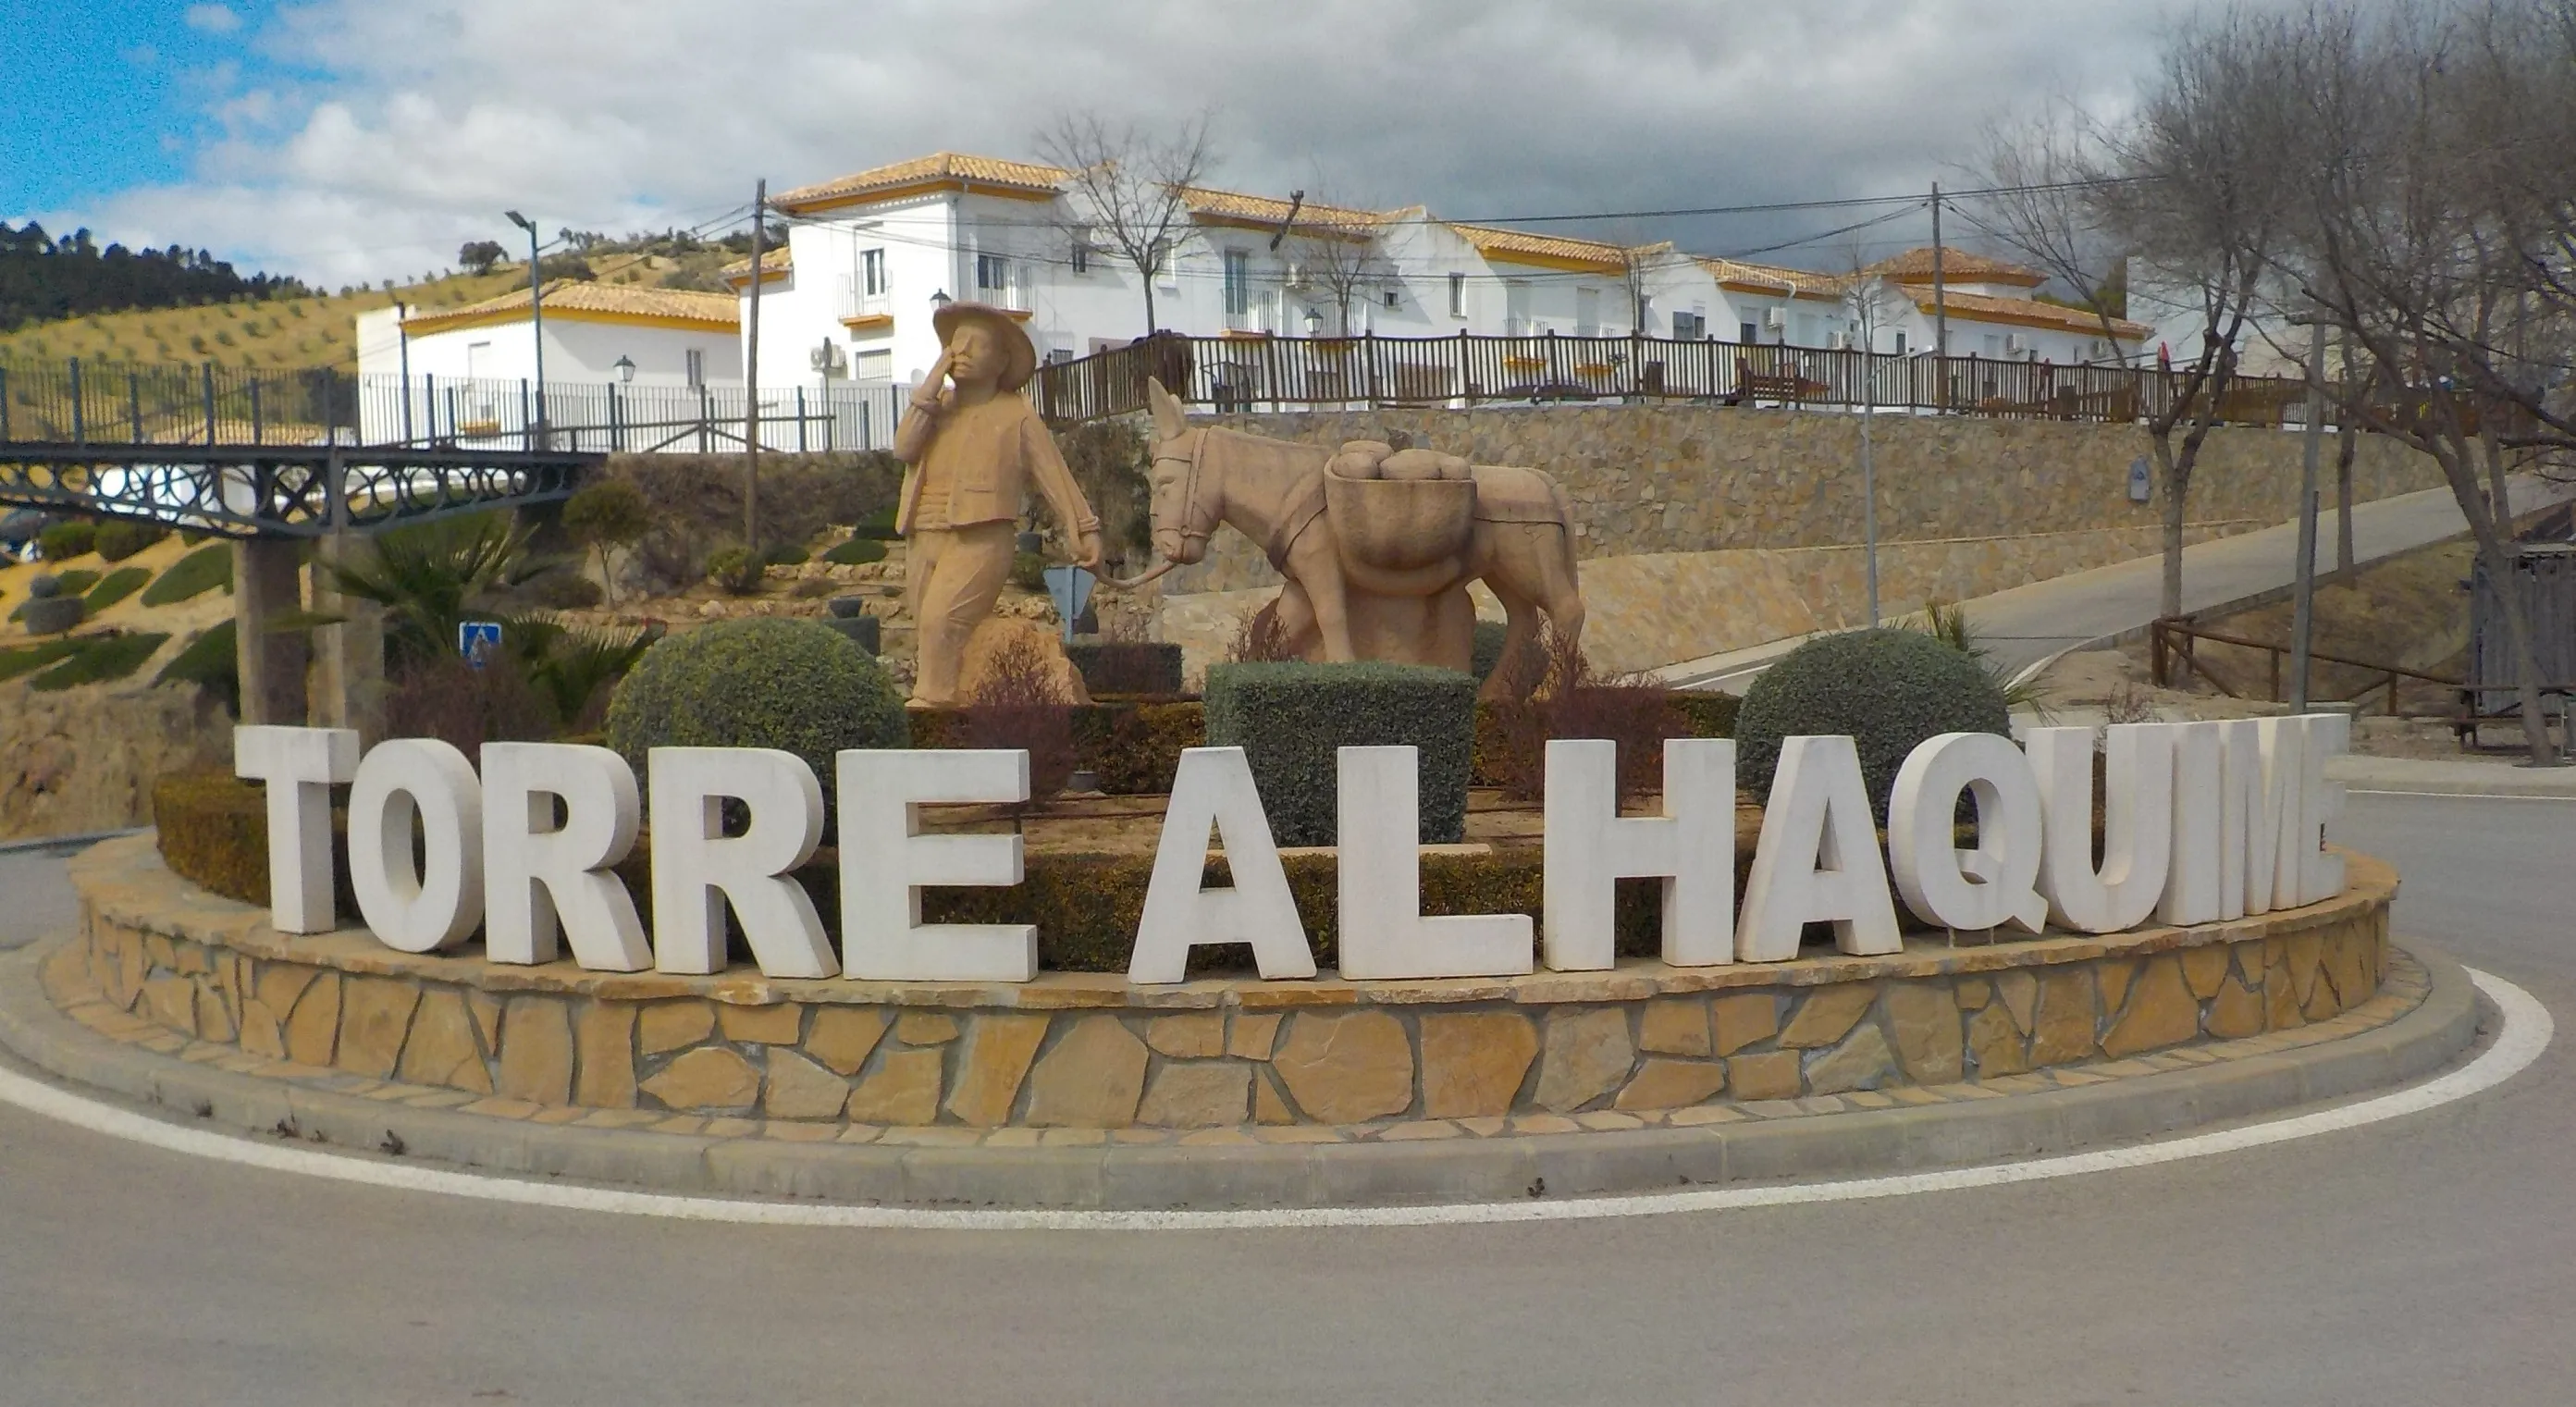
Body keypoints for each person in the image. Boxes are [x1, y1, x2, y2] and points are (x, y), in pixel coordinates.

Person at [892, 302, 1103, 706]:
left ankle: (930, 713)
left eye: (976, 344)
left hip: (981, 538)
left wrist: (1085, 528)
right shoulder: (936, 409)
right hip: (923, 533)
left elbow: (1053, 473)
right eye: (955, 344)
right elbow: (904, 448)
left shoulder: (1015, 413)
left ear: (1003, 360)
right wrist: (930, 386)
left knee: (941, 622)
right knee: (931, 631)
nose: (962, 352)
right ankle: (966, 707)